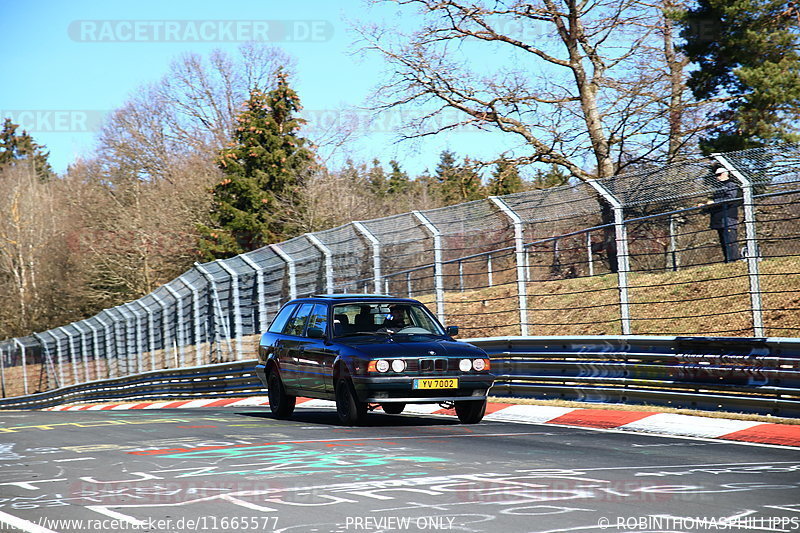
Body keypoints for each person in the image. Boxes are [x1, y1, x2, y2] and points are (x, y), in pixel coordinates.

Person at [701, 166, 742, 262]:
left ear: (725, 174)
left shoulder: (731, 185)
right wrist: (705, 206)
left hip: (728, 217)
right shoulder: (717, 187)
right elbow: (716, 203)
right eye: (716, 175)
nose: (717, 177)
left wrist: (714, 202)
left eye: (719, 175)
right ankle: (728, 260)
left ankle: (734, 260)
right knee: (723, 241)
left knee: (730, 240)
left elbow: (730, 199)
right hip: (719, 218)